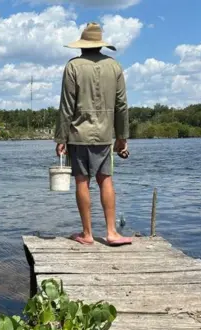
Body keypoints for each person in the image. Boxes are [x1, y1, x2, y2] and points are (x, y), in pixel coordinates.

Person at [54, 22, 132, 246]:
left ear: (82, 45)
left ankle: (87, 234)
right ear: (100, 44)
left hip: (78, 134)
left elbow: (66, 106)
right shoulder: (114, 67)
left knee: (82, 181)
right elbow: (122, 105)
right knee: (105, 180)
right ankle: (111, 232)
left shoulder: (73, 66)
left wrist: (61, 138)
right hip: (105, 135)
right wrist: (122, 138)